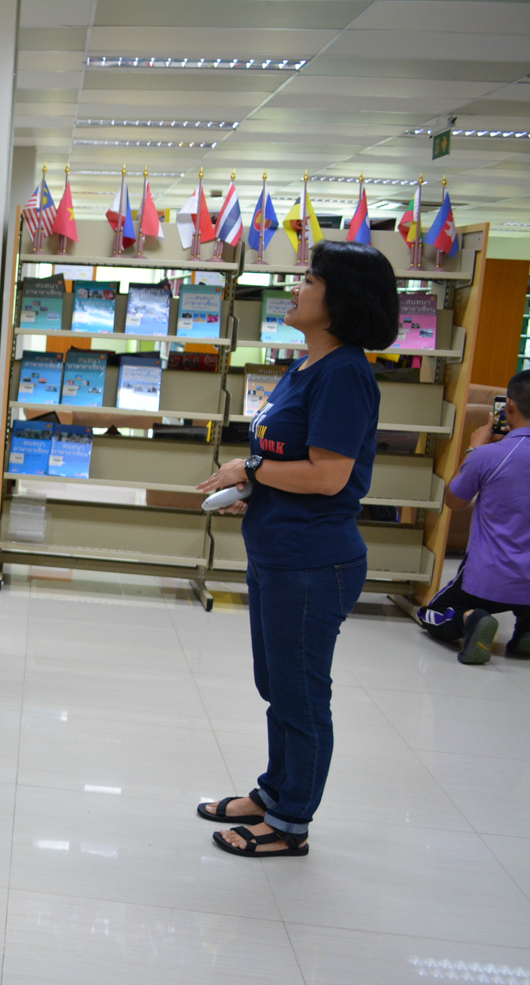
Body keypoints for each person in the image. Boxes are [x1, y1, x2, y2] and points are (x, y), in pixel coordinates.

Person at [195, 240, 397, 858]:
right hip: (279, 551)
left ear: (340, 300)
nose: (296, 287)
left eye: (309, 279)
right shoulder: (307, 366)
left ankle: (290, 823)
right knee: (277, 686)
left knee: (301, 695)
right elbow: (294, 463)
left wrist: (250, 470)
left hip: (314, 562)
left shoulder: (345, 374)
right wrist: (257, 492)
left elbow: (329, 476)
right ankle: (274, 792)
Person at [417, 369, 530, 662]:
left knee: (431, 613)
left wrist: (474, 448)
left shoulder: (489, 456)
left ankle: (470, 618)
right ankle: (526, 629)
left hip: (488, 581)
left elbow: (454, 500)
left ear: (509, 406)